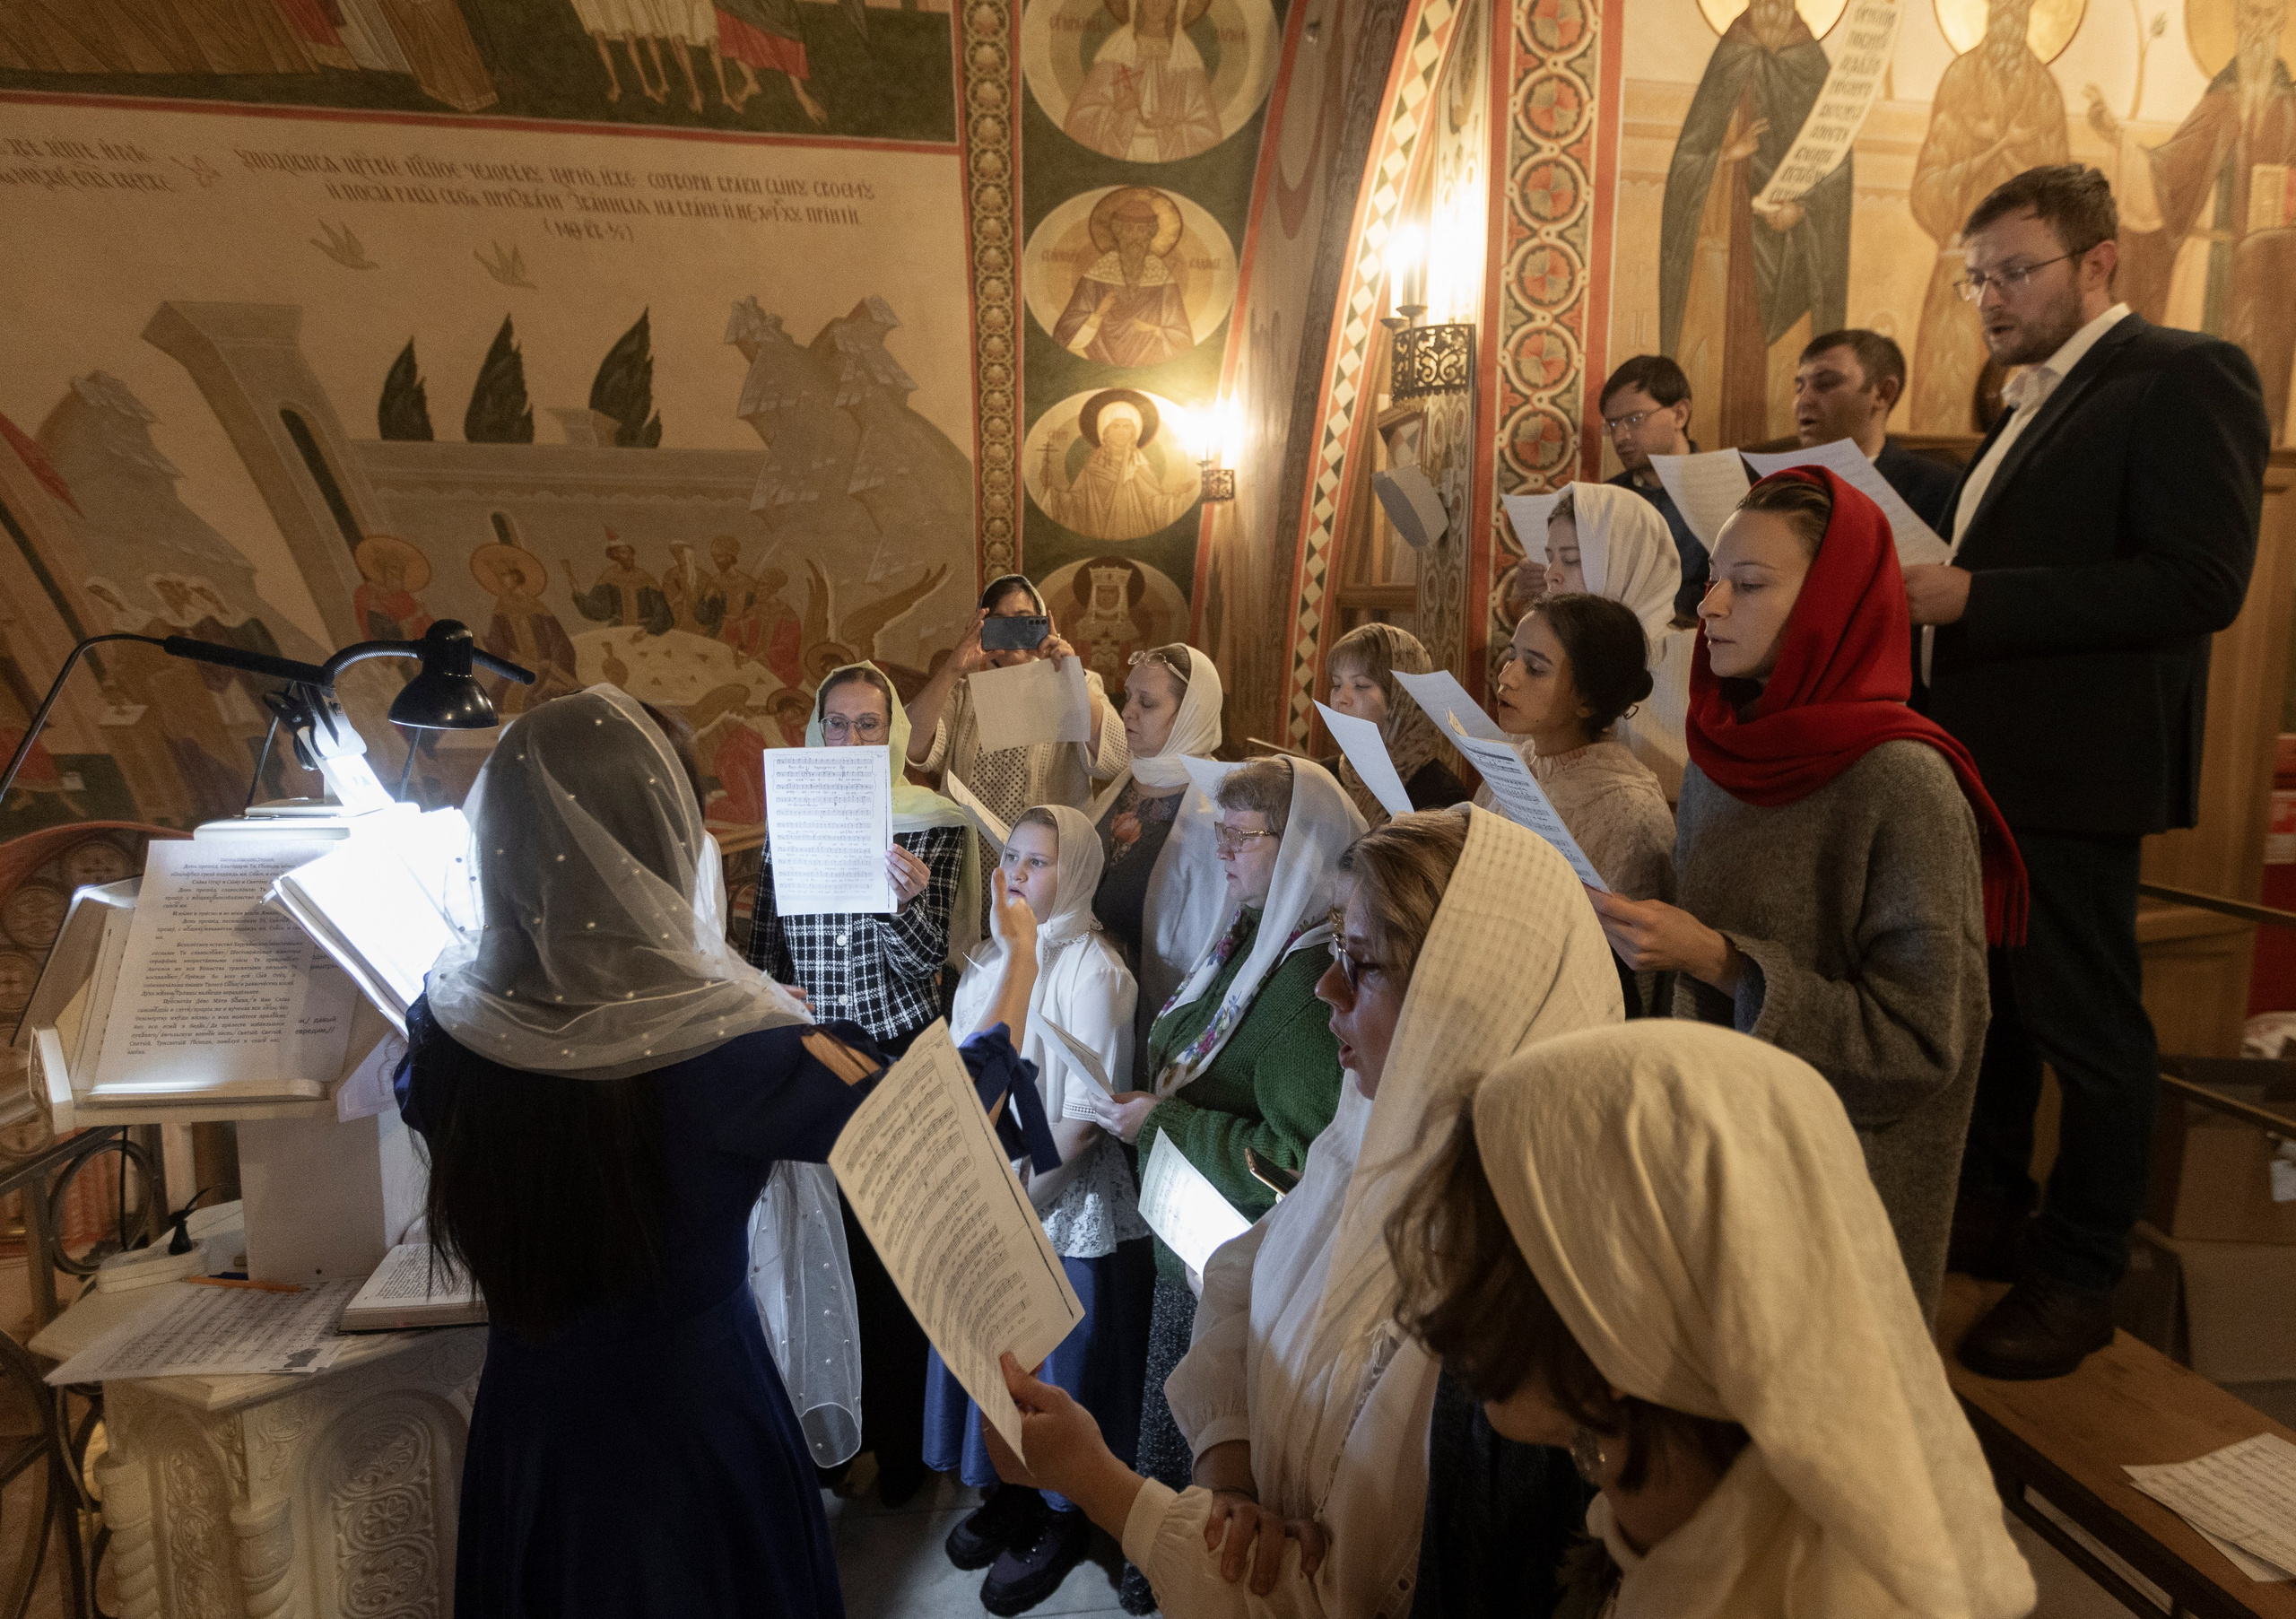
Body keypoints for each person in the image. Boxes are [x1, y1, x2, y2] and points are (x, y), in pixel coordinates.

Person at [398, 686, 1058, 1619]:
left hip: (529, 1428)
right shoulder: (733, 1053)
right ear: (665, 847)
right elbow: (959, 1123)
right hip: (692, 1428)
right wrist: (1021, 955)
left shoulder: (447, 1028)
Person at [981, 806, 1623, 1618]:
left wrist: (1094, 1479)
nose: (1325, 986)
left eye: (1361, 964)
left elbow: (1326, 1598)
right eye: (1331, 949)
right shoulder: (1368, 1132)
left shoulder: (1500, 1314)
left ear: (1460, 999)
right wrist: (1232, 1477)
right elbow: (1239, 1274)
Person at [1908, 165, 2267, 1378]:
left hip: (2074, 768)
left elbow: (2199, 583)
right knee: (2000, 1013)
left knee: (2087, 1025)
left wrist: (1974, 597)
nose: (1993, 297)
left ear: (2100, 263)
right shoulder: (2030, 398)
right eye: (1977, 280)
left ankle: (2080, 1270)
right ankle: (1996, 1210)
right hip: (1987, 761)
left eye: (2017, 270)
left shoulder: (2181, 375)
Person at [1385, 1022, 2038, 1619]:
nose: (1448, 1294)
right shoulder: (1663, 1510)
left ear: (1619, 1319)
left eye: (1482, 1256)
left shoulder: (1808, 1597)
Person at [1589, 469, 2027, 1317]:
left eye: (1748, 586)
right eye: (1712, 582)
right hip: (1707, 1166)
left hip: (1825, 1211)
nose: (1709, 608)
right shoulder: (1727, 751)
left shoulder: (1902, 780)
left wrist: (1721, 962)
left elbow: (1919, 1048)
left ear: (1835, 600)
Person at [1090, 758, 1361, 1615]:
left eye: (1241, 838)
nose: (1222, 854)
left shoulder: (1312, 998)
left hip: (1234, 1269)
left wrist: (1161, 1124)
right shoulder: (1250, 941)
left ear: (1303, 849)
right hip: (1193, 1245)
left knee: (1208, 1491)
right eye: (1220, 832)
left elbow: (1298, 1165)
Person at [746, 660, 978, 1503]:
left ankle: (903, 1446)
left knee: (895, 1261)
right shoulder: (787, 823)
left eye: (868, 724)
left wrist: (905, 904)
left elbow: (928, 970)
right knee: (820, 1251)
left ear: (895, 733)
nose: (851, 740)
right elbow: (768, 947)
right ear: (816, 731)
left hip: (894, 1063)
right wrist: (771, 1007)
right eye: (837, 723)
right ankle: (831, 1435)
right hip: (809, 1058)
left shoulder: (932, 824)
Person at [925, 806, 1154, 1615]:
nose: (1017, 873)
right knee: (999, 1361)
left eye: (1039, 861)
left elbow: (1086, 1116)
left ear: (1079, 874)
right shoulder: (990, 960)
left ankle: (1060, 1516)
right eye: (1011, 857)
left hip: (1055, 1198)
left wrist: (1019, 1202)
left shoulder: (1095, 969)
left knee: (1057, 1365)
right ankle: (1011, 1496)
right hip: (990, 1192)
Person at [1485, 592, 1676, 1018]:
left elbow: (1609, 972)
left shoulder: (1627, 808)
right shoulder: (1515, 762)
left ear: (1587, 701)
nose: (1507, 677)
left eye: (1535, 669)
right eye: (1511, 656)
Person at [907, 574, 1128, 837]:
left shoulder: (1076, 684)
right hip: (976, 854)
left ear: (1043, 622)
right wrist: (953, 668)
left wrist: (1070, 674)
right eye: (999, 622)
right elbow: (910, 745)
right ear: (981, 627)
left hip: (1046, 856)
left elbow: (1115, 759)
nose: (1012, 630)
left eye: (1024, 619)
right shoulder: (963, 694)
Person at [1091, 644, 1229, 1028]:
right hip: (1094, 996)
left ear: (1189, 716)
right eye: (1128, 697)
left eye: (1146, 703)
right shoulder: (1126, 782)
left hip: (1158, 1008)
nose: (1126, 711)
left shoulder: (1215, 810)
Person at [1540, 483, 1693, 799]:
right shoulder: (1553, 653)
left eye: (1571, 559)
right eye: (1550, 558)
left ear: (1628, 563)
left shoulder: (1684, 657)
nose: (1551, 574)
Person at [1789, 329, 1960, 533]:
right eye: (1799, 388)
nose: (1803, 401)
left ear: (1883, 393)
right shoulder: (1781, 482)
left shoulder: (1938, 489)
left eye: (1825, 384)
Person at [1313, 622, 1465, 824]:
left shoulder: (1440, 796)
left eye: (1360, 685)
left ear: (1401, 699)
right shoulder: (1325, 775)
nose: (1342, 698)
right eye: (1337, 684)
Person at [1597, 357, 1708, 622]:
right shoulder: (1606, 497)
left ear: (1680, 414)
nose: (1620, 437)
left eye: (1634, 420)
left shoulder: (1723, 484)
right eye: (1612, 425)